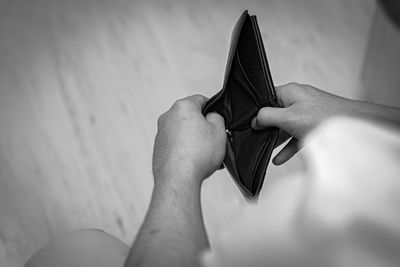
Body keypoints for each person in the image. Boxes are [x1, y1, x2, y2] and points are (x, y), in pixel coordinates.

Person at [25, 83, 400, 267]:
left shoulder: (338, 217)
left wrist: (177, 170)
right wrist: (366, 118)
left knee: (74, 254)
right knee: (84, 249)